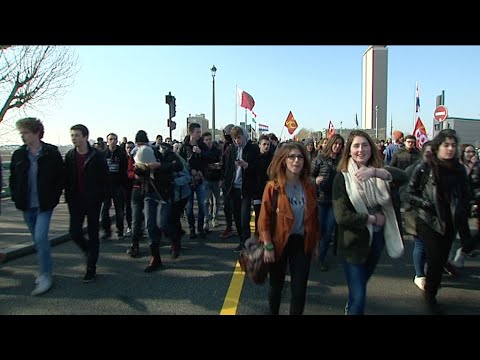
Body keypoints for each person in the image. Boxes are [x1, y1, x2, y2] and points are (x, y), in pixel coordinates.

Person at [332, 130, 407, 315]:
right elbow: (341, 216)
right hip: (353, 245)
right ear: (349, 150)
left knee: (360, 286)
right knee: (359, 297)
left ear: (371, 148)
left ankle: (351, 305)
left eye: (365, 145)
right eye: (356, 146)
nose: (361, 150)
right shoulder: (342, 177)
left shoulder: (379, 172)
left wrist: (375, 172)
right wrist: (371, 218)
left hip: (376, 241)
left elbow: (404, 177)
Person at [405, 129, 471, 314]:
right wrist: (424, 203)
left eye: (453, 145)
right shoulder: (426, 167)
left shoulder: (459, 169)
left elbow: (466, 194)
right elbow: (409, 193)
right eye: (446, 145)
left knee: (442, 258)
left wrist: (464, 208)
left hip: (450, 221)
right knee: (434, 259)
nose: (450, 149)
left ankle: (433, 285)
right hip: (428, 220)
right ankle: (430, 294)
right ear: (437, 147)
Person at [258, 142, 319, 315]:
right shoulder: (273, 187)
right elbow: (264, 219)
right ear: (283, 160)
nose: (296, 160)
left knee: (299, 291)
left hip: (301, 242)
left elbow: (314, 218)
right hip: (278, 242)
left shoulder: (309, 186)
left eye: (300, 157)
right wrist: (268, 245)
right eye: (291, 156)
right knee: (276, 287)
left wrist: (316, 244)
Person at [9, 117, 64, 295]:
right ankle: (45, 267)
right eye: (21, 133)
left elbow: (59, 177)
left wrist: (54, 196)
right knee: (37, 240)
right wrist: (16, 197)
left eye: (25, 132)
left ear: (36, 132)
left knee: (41, 238)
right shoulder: (19, 154)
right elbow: (13, 178)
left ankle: (45, 275)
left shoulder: (51, 152)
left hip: (44, 205)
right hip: (26, 205)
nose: (23, 136)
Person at [64, 124, 109, 282]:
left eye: (76, 135)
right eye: (72, 135)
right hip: (75, 200)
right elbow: (66, 178)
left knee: (93, 232)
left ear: (84, 137)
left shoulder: (97, 156)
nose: (74, 138)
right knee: (74, 232)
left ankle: (91, 268)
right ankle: (88, 250)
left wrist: (102, 196)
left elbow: (105, 178)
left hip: (92, 200)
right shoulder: (70, 155)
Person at [310, 133, 344, 271]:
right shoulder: (319, 159)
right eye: (335, 143)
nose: (337, 146)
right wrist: (315, 181)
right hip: (319, 200)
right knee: (318, 230)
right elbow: (308, 177)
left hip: (335, 201)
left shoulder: (342, 161)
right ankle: (313, 253)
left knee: (328, 232)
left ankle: (321, 259)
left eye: (340, 145)